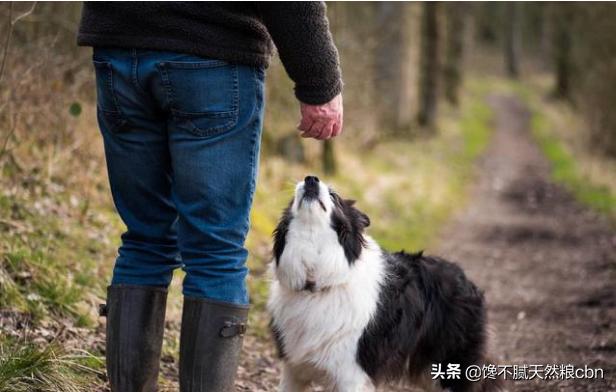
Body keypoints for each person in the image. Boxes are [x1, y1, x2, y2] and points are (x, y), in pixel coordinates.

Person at [77, 3, 343, 392]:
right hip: (212, 58)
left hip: (120, 51)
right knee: (214, 248)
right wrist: (319, 82)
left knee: (144, 238)